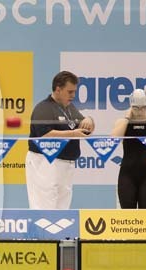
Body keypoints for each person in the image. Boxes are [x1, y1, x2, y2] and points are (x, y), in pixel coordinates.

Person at [26, 71, 95, 209]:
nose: (73, 96)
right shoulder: (43, 108)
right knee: (45, 206)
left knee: (62, 209)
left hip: (66, 163)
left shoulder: (69, 108)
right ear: (58, 89)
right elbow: (44, 135)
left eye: (74, 92)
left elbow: (84, 128)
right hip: (46, 161)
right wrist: (72, 134)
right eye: (70, 92)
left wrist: (89, 120)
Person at [111, 89, 146, 209]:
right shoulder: (122, 123)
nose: (140, 111)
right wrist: (127, 118)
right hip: (127, 175)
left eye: (143, 108)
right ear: (131, 106)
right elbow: (113, 140)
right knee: (127, 216)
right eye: (136, 108)